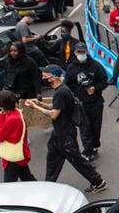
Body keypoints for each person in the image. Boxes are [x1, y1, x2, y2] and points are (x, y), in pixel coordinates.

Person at [24, 65, 107, 194]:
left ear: (54, 76)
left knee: (77, 160)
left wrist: (35, 107)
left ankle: (98, 182)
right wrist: (40, 103)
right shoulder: (61, 90)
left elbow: (53, 114)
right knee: (52, 158)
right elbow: (55, 106)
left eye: (45, 75)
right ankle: (49, 184)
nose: (43, 77)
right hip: (58, 134)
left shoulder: (61, 92)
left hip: (65, 135)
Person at [65, 43, 108, 162]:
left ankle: (94, 146)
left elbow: (104, 81)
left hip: (95, 103)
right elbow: (67, 85)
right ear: (75, 53)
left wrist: (95, 88)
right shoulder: (71, 68)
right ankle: (87, 152)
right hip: (80, 104)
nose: (81, 55)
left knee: (95, 127)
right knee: (85, 129)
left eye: (83, 52)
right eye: (79, 52)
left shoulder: (95, 66)